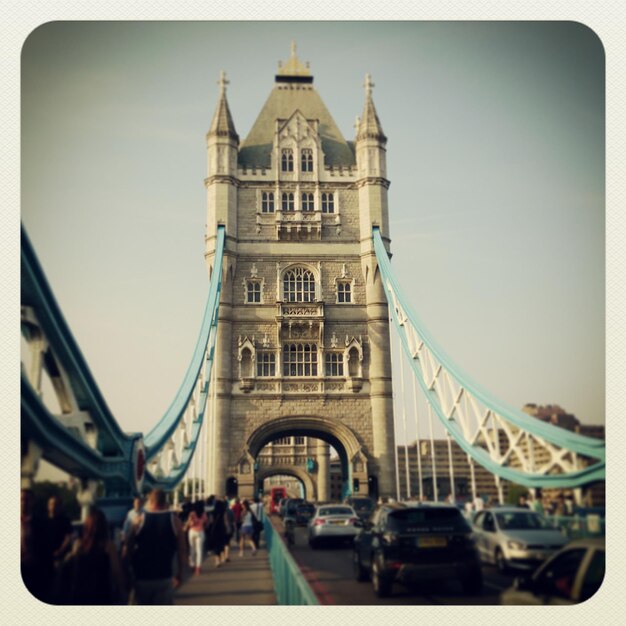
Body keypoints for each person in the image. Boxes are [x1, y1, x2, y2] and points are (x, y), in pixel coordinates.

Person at [128, 488, 185, 605]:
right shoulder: (175, 521)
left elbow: (127, 549)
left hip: (141, 576)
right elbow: (182, 551)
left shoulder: (138, 520)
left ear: (150, 501)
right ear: (165, 502)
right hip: (164, 576)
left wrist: (127, 573)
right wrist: (180, 573)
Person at [58, 507, 125, 604]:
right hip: (101, 593)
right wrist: (123, 593)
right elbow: (117, 573)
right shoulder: (108, 547)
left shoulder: (79, 545)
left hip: (80, 594)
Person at [184, 501, 208, 575]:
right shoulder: (203, 514)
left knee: (192, 549)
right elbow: (206, 523)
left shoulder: (192, 513)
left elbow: (188, 522)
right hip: (200, 532)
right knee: (199, 551)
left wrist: (185, 526)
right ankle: (198, 568)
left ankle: (192, 565)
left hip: (192, 532)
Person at [205, 498, 227, 568]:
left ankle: (217, 560)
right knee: (221, 545)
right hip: (222, 529)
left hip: (214, 530)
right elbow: (226, 520)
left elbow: (210, 521)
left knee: (215, 545)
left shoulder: (213, 512)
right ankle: (220, 559)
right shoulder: (224, 511)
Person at [222, 497, 235, 563]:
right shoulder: (230, 511)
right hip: (229, 528)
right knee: (227, 543)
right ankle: (227, 556)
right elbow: (233, 521)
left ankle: (222, 557)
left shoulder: (219, 511)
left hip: (221, 529)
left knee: (222, 543)